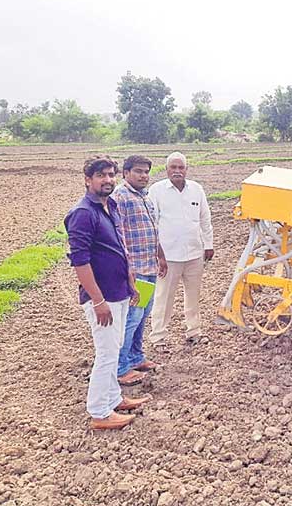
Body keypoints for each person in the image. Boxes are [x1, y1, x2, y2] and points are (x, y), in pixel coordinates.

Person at [65, 156, 151, 430]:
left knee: (114, 349)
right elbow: (80, 261)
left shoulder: (110, 205)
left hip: (119, 291)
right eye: (101, 175)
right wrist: (98, 300)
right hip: (102, 297)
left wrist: (130, 282)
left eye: (111, 175)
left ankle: (113, 398)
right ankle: (100, 412)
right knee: (106, 354)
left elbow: (119, 246)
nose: (108, 180)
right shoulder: (83, 213)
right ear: (87, 180)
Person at [148, 152, 214, 350]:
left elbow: (205, 219)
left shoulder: (196, 189)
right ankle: (158, 337)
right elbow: (152, 224)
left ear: (187, 169)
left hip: (195, 253)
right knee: (163, 297)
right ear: (167, 169)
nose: (177, 171)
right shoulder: (157, 191)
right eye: (173, 167)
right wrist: (158, 255)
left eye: (181, 167)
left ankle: (193, 331)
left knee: (193, 295)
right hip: (168, 256)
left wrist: (208, 244)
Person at [112, 155, 167, 386]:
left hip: (149, 265)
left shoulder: (145, 197)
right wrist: (127, 269)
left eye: (146, 172)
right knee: (131, 318)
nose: (143, 176)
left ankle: (136, 357)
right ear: (125, 173)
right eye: (138, 171)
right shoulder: (120, 197)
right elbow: (117, 235)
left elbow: (152, 229)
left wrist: (161, 255)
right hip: (135, 269)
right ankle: (121, 368)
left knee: (143, 316)